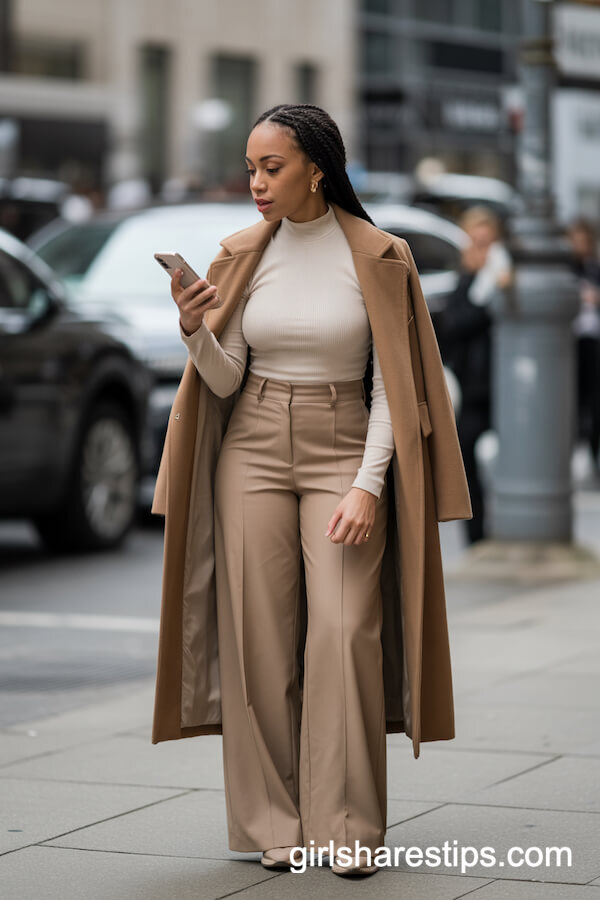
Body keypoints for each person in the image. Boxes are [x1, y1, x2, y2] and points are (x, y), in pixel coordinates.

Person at [157, 103, 471, 879]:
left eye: (273, 167)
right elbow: (227, 379)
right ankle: (274, 822)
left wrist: (369, 486)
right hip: (253, 447)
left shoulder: (378, 253)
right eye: (252, 168)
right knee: (258, 639)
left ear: (317, 169)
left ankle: (349, 825)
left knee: (344, 630)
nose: (257, 183)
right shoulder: (240, 252)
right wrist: (195, 331)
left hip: (344, 443)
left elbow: (393, 388)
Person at [438, 205, 512, 544]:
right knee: (466, 462)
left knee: (511, 463)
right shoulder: (466, 283)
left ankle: (509, 530)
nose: (482, 250)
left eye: (488, 243)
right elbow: (454, 327)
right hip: (472, 388)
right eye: (476, 242)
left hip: (506, 388)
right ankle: (477, 537)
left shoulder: (509, 283)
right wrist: (483, 296)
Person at [566, 218, 600, 475]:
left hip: (592, 340)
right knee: (570, 400)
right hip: (568, 342)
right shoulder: (565, 270)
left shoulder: (594, 270)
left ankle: (593, 453)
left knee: (594, 398)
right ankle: (571, 450)